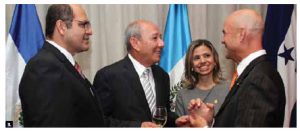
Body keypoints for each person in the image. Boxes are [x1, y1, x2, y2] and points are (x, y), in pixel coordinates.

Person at [19, 4, 157, 127]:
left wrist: (139, 126)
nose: (90, 31)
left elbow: (95, 121)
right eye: (83, 24)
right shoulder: (44, 66)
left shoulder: (65, 66)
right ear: (61, 27)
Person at [176, 9, 286, 127]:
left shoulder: (260, 79)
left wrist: (203, 127)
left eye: (225, 33)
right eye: (197, 58)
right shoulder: (251, 74)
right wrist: (211, 122)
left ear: (241, 35)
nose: (222, 40)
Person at [93, 20, 178, 127]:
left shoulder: (162, 75)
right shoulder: (108, 76)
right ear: (135, 43)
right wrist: (138, 127)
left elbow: (163, 114)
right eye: (155, 38)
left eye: (160, 38)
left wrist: (177, 121)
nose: (162, 43)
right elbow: (99, 121)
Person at [175, 39, 229, 117]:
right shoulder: (182, 95)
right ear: (191, 65)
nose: (202, 61)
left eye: (207, 56)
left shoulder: (229, 88)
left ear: (215, 60)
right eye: (197, 58)